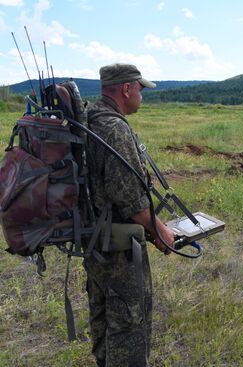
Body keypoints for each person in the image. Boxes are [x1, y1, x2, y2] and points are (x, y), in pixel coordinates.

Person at [84, 63, 175, 367]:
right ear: (126, 88)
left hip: (94, 244)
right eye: (140, 89)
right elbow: (132, 199)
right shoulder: (115, 128)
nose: (142, 95)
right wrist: (160, 230)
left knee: (104, 322)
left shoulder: (89, 119)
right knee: (129, 327)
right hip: (119, 252)